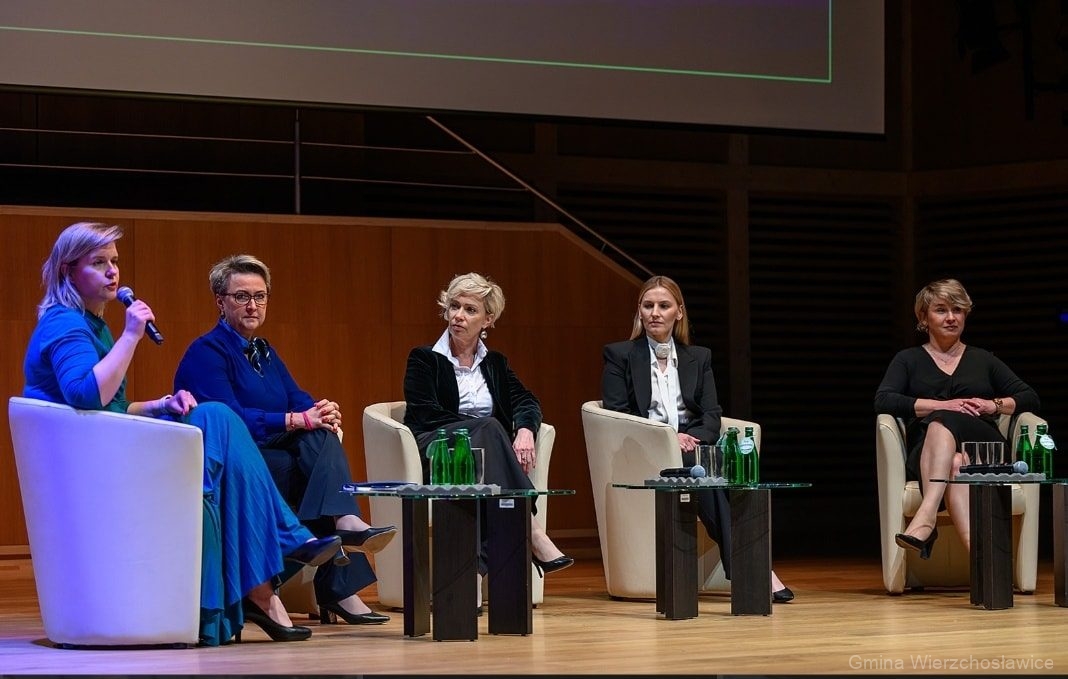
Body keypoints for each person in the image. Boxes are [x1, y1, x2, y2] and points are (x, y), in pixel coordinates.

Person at [22, 222, 343, 646]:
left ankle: (270, 576)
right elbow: (84, 395)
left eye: (114, 261)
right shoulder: (65, 324)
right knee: (219, 419)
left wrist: (160, 404)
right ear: (68, 271)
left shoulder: (90, 323)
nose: (112, 272)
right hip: (89, 465)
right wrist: (132, 335)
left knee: (214, 417)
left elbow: (109, 408)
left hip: (102, 446)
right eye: (98, 263)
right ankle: (283, 549)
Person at [174, 254, 394, 626]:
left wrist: (321, 412)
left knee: (320, 439)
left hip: (272, 454)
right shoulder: (206, 352)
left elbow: (296, 397)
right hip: (234, 464)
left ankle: (343, 527)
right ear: (220, 301)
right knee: (314, 472)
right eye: (242, 296)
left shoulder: (264, 352)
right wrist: (294, 420)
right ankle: (339, 574)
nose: (252, 305)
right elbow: (231, 420)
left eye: (260, 297)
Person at [601, 275, 793, 602]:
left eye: (664, 306)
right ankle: (754, 567)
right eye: (648, 306)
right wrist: (667, 438)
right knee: (703, 470)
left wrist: (691, 438)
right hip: (645, 451)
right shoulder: (619, 355)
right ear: (639, 311)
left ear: (679, 312)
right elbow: (620, 414)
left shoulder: (698, 357)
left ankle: (750, 564)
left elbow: (712, 414)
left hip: (694, 450)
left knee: (721, 467)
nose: (655, 313)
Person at [402, 272, 573, 578]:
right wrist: (487, 430)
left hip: (486, 455)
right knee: (491, 429)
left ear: (488, 320)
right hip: (437, 449)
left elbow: (526, 400)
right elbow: (426, 413)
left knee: (490, 442)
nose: (458, 315)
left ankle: (474, 572)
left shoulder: (495, 364)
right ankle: (532, 532)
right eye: (454, 306)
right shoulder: (424, 358)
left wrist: (525, 430)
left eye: (470, 310)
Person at [875, 278, 1039, 557]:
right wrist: (943, 405)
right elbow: (884, 400)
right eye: (941, 310)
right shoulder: (907, 360)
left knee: (944, 420)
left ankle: (926, 518)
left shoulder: (983, 359)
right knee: (953, 460)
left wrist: (993, 405)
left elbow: (1029, 397)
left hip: (981, 447)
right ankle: (983, 564)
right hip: (928, 454)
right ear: (924, 317)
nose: (951, 317)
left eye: (958, 310)